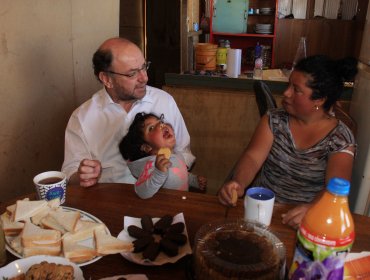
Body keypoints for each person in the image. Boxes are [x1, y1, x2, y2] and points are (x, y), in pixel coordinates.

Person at [218, 55, 358, 229]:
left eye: (296, 89)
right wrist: (238, 182)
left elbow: (335, 189)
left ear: (319, 100)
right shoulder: (274, 120)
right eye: (289, 84)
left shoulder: (340, 139)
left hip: (302, 219)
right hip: (260, 210)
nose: (286, 92)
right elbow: (253, 158)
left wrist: (313, 209)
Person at [62, 37, 195, 187]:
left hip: (162, 197)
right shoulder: (82, 118)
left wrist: (172, 174)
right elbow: (70, 173)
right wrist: (81, 176)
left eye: (144, 67)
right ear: (106, 79)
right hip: (110, 201)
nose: (144, 78)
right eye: (132, 74)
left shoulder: (164, 101)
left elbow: (184, 153)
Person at [119, 112, 207, 199]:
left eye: (160, 122)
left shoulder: (177, 155)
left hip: (181, 206)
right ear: (147, 147)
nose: (161, 125)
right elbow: (141, 192)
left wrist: (193, 180)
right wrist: (158, 173)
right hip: (162, 211)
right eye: (151, 128)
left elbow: (179, 173)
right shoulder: (152, 164)